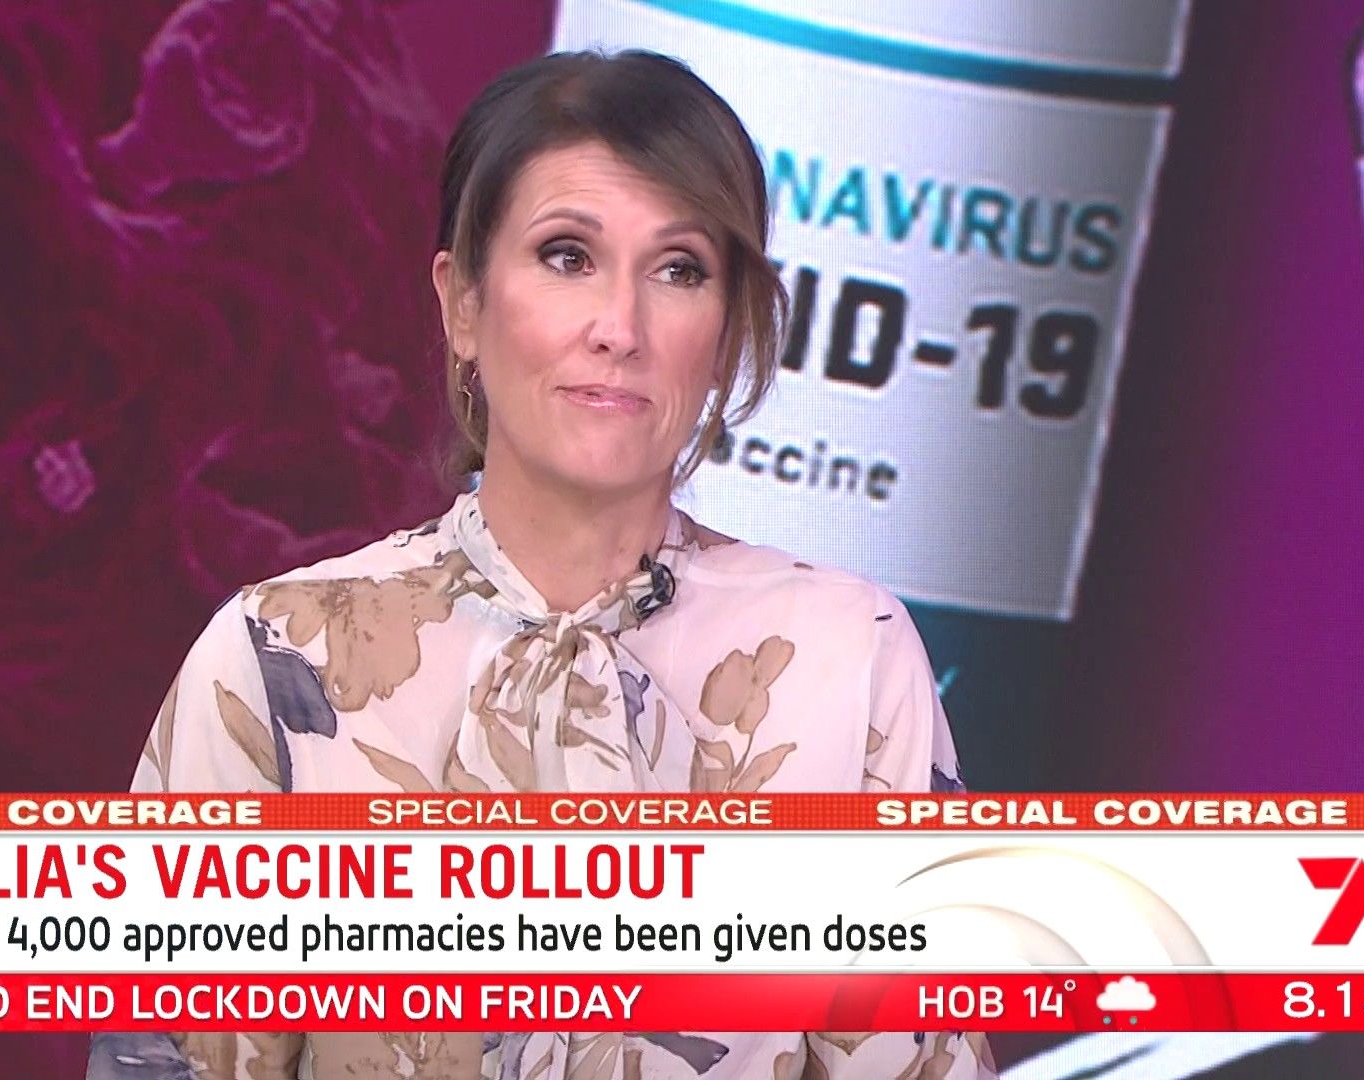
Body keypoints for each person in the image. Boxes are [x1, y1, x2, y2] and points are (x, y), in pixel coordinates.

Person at [91, 49, 996, 1080]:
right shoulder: (274, 657)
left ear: (727, 330)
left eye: (679, 270)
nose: (620, 329)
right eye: (568, 256)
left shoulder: (849, 660)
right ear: (463, 304)